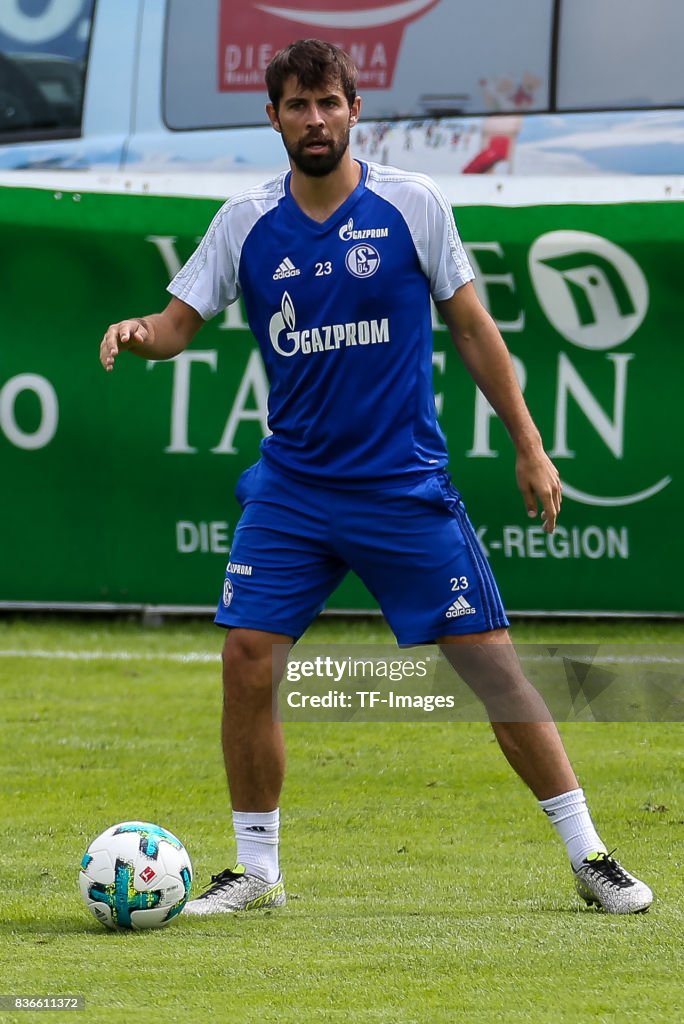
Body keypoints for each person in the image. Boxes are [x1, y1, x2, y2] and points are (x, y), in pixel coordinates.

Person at [99, 39, 652, 916]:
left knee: (493, 669)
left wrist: (530, 445)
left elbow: (474, 331)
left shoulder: (411, 205)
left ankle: (591, 857)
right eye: (296, 104)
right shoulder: (244, 221)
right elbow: (178, 324)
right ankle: (257, 872)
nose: (313, 119)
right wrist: (140, 330)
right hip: (293, 489)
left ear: (356, 110)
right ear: (271, 117)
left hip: (402, 487)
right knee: (246, 660)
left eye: (327, 102)